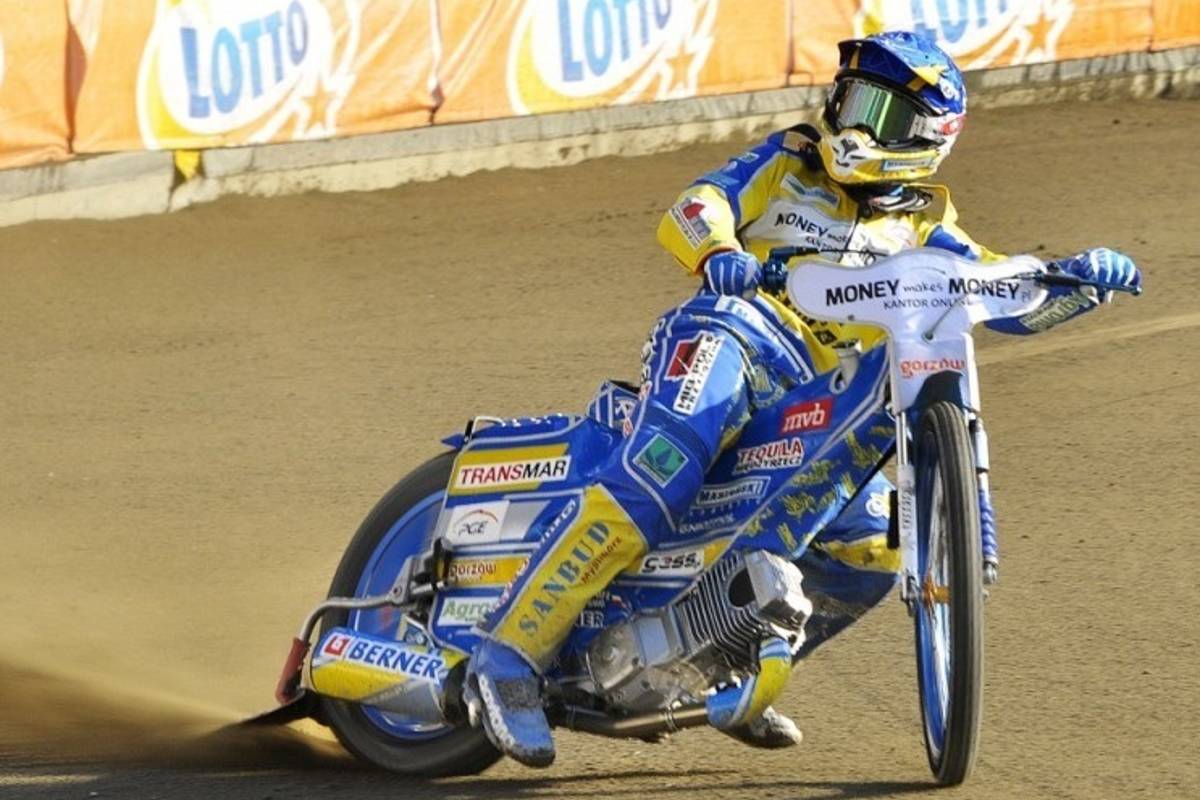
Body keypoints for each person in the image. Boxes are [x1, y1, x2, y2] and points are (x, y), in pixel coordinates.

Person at [465, 31, 1142, 768]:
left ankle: (722, 665)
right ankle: (507, 657)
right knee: (658, 473)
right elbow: (695, 205)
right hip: (730, 334)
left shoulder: (928, 231)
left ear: (927, 137)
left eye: (881, 113)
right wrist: (721, 253)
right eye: (852, 101)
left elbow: (1001, 297)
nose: (854, 126)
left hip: (812, 398)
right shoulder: (789, 162)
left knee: (878, 548)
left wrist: (1078, 282)